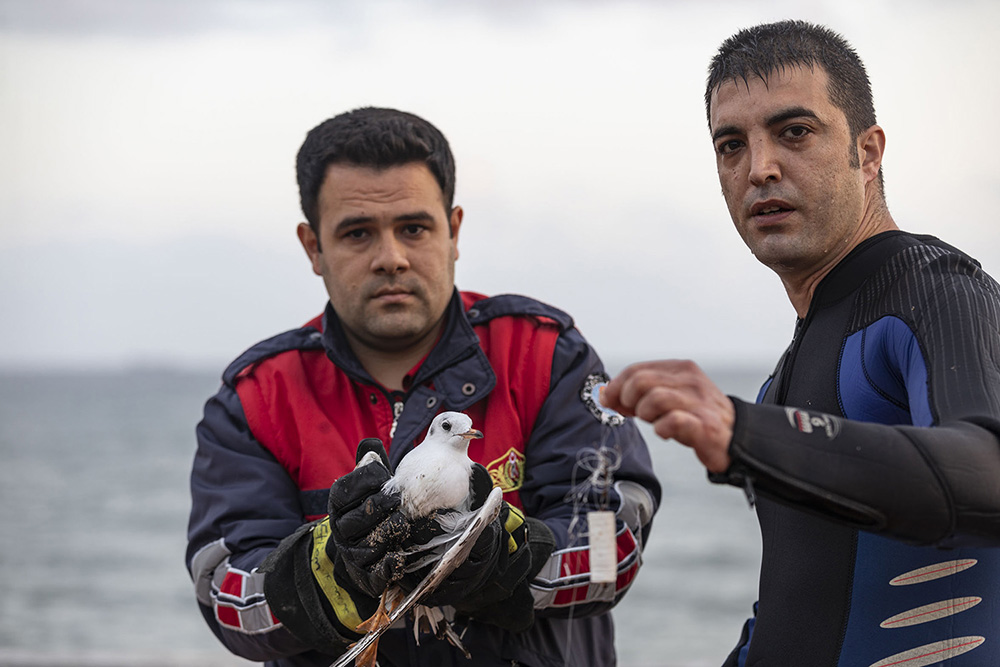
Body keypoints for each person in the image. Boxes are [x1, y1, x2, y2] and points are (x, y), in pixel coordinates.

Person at [186, 107, 660, 667]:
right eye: (357, 233)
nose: (391, 258)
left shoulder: (547, 356)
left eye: (413, 228)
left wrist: (497, 556)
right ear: (313, 247)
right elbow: (226, 598)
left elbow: (611, 555)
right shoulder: (257, 396)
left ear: (454, 230)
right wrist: (333, 567)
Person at [602, 19, 1000, 667]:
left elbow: (988, 472)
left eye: (795, 132)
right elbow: (798, 604)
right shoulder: (784, 377)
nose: (759, 168)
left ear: (867, 153)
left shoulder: (937, 287)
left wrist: (746, 431)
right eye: (731, 145)